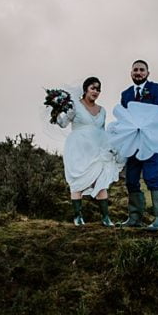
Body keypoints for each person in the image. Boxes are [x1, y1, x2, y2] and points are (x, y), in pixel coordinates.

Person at [56, 76, 123, 226]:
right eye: (93, 88)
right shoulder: (74, 106)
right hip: (78, 149)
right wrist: (59, 110)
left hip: (97, 150)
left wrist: (109, 148)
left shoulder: (102, 110)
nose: (96, 91)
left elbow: (102, 130)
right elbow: (62, 123)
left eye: (98, 89)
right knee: (78, 180)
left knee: (101, 180)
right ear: (86, 89)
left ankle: (106, 218)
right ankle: (78, 216)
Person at [119, 60, 158, 230]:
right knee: (131, 180)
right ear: (130, 73)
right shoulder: (125, 94)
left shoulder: (157, 89)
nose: (138, 73)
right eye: (135, 70)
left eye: (141, 70)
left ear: (148, 73)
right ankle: (134, 218)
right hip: (134, 144)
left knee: (151, 177)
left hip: (152, 143)